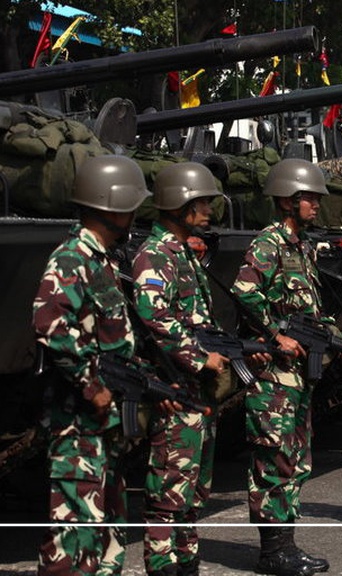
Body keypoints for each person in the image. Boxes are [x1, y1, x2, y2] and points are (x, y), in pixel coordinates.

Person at [33, 155, 151, 575]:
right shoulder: (72, 258)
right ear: (111, 205)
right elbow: (50, 326)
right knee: (73, 534)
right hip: (78, 423)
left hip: (103, 425)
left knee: (106, 532)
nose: (136, 212)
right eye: (132, 203)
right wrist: (92, 384)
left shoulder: (105, 260)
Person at [232, 158, 338, 576]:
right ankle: (273, 551)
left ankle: (286, 543)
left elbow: (307, 308)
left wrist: (332, 338)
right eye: (311, 197)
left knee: (296, 458)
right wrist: (276, 334)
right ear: (289, 200)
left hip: (298, 374)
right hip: (275, 374)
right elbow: (245, 292)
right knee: (273, 458)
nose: (317, 204)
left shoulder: (302, 246)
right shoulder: (268, 244)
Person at [132, 162, 230, 576]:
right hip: (174, 386)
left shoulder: (182, 253)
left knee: (192, 486)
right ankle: (162, 564)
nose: (207, 210)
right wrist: (198, 356)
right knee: (168, 487)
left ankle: (186, 560)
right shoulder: (156, 254)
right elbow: (153, 313)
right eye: (200, 203)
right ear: (177, 204)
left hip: (195, 390)